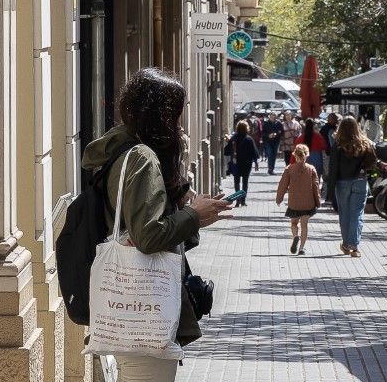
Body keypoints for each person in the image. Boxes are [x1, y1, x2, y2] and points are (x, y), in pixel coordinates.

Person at [81, 68, 233, 382]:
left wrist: (180, 203)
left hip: (132, 307)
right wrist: (194, 215)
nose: (179, 126)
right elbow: (149, 237)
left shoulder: (124, 151)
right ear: (161, 118)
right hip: (142, 310)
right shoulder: (141, 158)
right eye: (176, 116)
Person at [325, 115, 377, 257]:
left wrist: (329, 193)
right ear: (356, 127)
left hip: (342, 183)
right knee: (357, 214)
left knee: (345, 215)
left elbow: (333, 167)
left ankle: (346, 244)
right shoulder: (364, 143)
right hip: (360, 181)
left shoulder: (337, 144)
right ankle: (354, 245)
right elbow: (373, 161)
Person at [275, 144, 321, 255]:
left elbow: (283, 185)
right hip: (308, 203)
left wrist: (279, 198)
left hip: (294, 203)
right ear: (307, 155)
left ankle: (295, 236)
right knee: (304, 225)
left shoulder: (289, 168)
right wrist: (318, 201)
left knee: (294, 224)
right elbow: (316, 186)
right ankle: (301, 248)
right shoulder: (311, 169)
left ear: (295, 155)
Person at [223, 120, 258, 206]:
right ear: (247, 128)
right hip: (247, 164)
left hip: (236, 163)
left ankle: (237, 199)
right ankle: (243, 200)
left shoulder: (234, 138)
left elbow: (226, 151)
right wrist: (256, 163)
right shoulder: (249, 139)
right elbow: (254, 152)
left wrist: (228, 142)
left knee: (236, 182)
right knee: (245, 182)